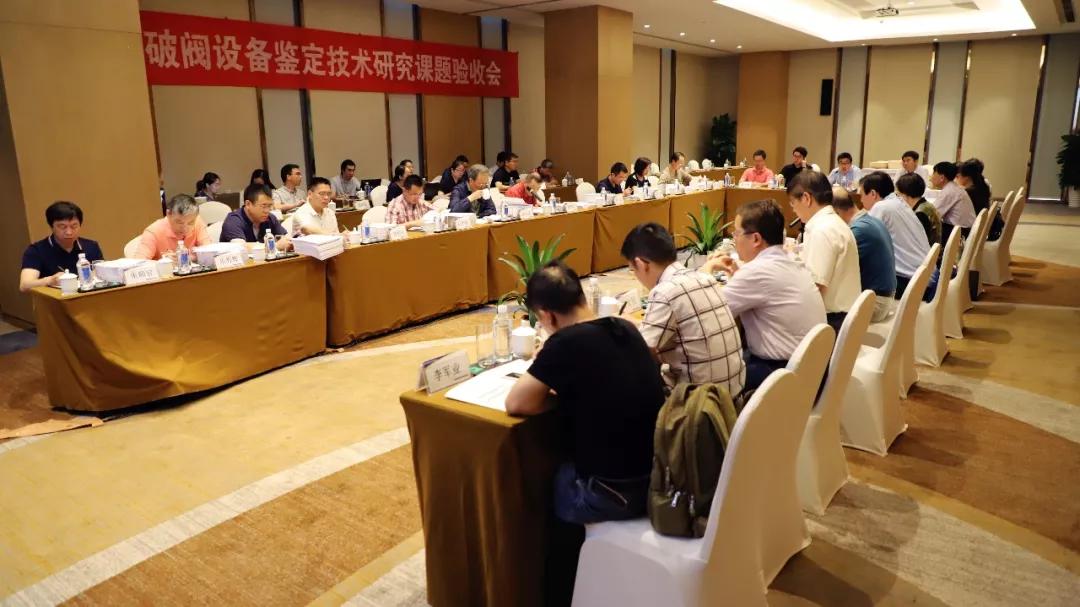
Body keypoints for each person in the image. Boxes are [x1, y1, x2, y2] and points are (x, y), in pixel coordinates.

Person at [506, 261, 665, 525]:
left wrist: (558, 393)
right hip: (657, 480)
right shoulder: (625, 327)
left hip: (612, 494)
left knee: (543, 481)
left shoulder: (564, 343)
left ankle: (562, 551)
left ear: (547, 316)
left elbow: (516, 403)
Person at [701, 200, 826, 392]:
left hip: (783, 376)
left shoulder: (757, 271)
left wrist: (707, 269)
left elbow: (708, 310)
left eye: (736, 234)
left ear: (756, 239)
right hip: (813, 369)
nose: (734, 240)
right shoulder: (790, 259)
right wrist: (738, 276)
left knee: (705, 381)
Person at [621, 223, 745, 396]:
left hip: (699, 405)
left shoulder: (665, 292)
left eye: (632, 270)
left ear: (641, 264)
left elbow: (642, 351)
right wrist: (634, 323)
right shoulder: (705, 279)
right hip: (734, 396)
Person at [787, 171, 861, 333]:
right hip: (844, 317)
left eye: (793, 203)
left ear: (806, 198)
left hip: (832, 322)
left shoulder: (822, 230)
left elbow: (815, 289)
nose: (793, 210)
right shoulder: (832, 222)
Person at [859, 171, 935, 301]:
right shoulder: (899, 202)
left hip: (911, 283)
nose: (860, 200)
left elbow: (863, 235)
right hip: (925, 279)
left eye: (861, 195)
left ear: (873, 193)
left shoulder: (881, 207)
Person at [833, 187, 897, 322]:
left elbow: (836, 270)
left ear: (836, 212)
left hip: (875, 304)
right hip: (884, 297)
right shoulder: (871, 220)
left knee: (825, 308)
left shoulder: (857, 231)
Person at [19, 201, 104, 292]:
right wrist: (50, 280)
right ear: (52, 227)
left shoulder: (91, 246)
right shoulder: (36, 250)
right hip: (54, 299)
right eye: (62, 227)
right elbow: (24, 285)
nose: (69, 232)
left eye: (74, 226)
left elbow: (102, 274)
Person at [133, 194, 211, 260]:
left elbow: (209, 251)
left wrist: (186, 258)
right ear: (168, 214)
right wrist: (162, 261)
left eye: (190, 223)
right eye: (179, 222)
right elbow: (138, 262)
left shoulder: (198, 222)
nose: (185, 228)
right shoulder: (153, 231)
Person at [221, 183, 291, 250]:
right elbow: (241, 247)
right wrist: (274, 246)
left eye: (269, 206)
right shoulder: (233, 220)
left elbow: (285, 238)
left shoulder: (270, 218)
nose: (267, 211)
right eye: (263, 206)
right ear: (248, 204)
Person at [930, 161, 976, 242]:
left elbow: (933, 215)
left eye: (934, 173)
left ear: (942, 178)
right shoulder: (954, 187)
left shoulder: (949, 191)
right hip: (965, 230)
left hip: (960, 233)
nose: (931, 176)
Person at [957, 158, 1002, 240]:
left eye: (958, 176)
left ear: (966, 177)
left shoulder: (968, 193)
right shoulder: (983, 186)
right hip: (981, 226)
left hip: (972, 230)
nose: (957, 178)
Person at [895, 173, 942, 247]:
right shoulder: (926, 205)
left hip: (928, 252)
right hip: (933, 249)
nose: (898, 197)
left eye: (898, 194)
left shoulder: (920, 214)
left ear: (905, 193)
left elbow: (915, 243)